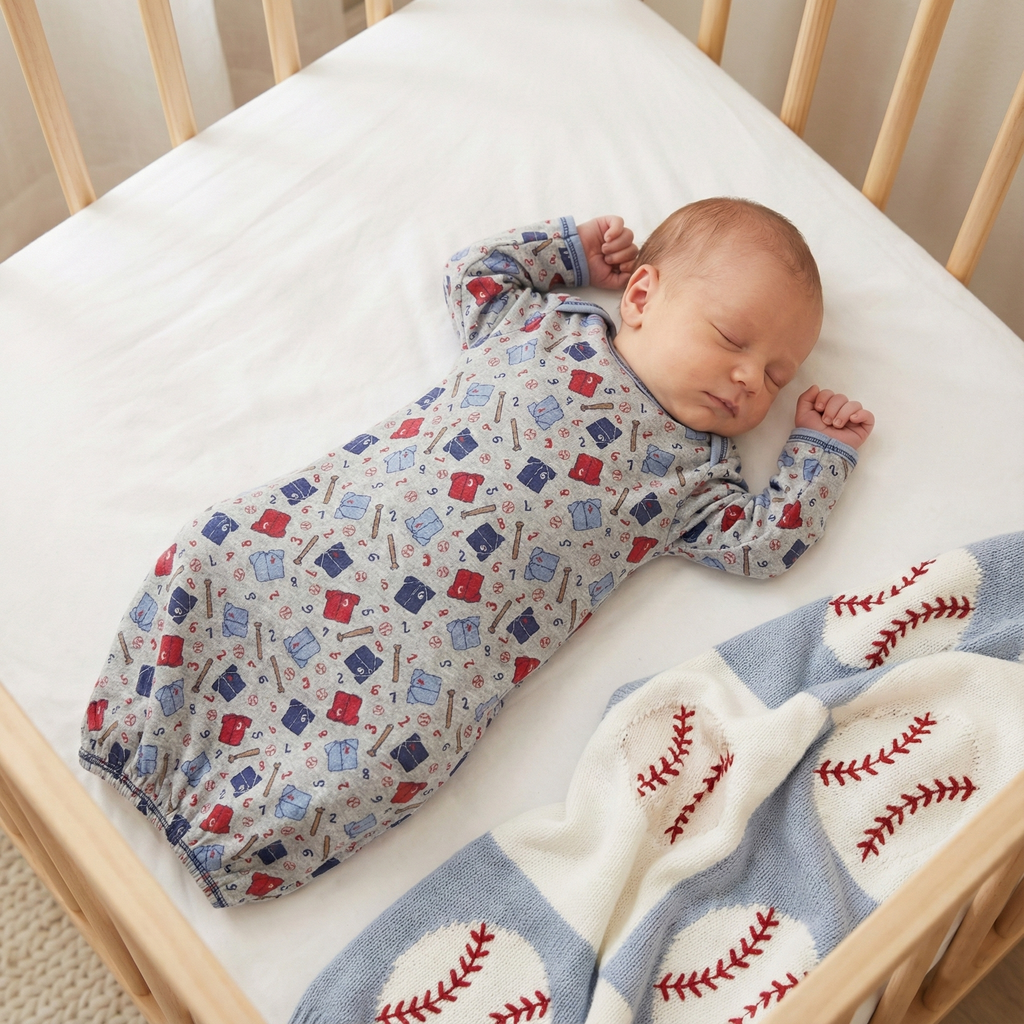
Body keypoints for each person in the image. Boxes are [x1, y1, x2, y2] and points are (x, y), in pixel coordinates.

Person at [80, 198, 873, 907]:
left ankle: (238, 837)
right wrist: (571, 249)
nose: (749, 381)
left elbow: (764, 543)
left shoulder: (698, 476)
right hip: (334, 529)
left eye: (778, 377)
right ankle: (140, 729)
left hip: (425, 659)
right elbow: (475, 272)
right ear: (639, 296)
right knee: (221, 544)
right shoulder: (544, 324)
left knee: (399, 746)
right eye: (733, 340)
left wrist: (817, 453)